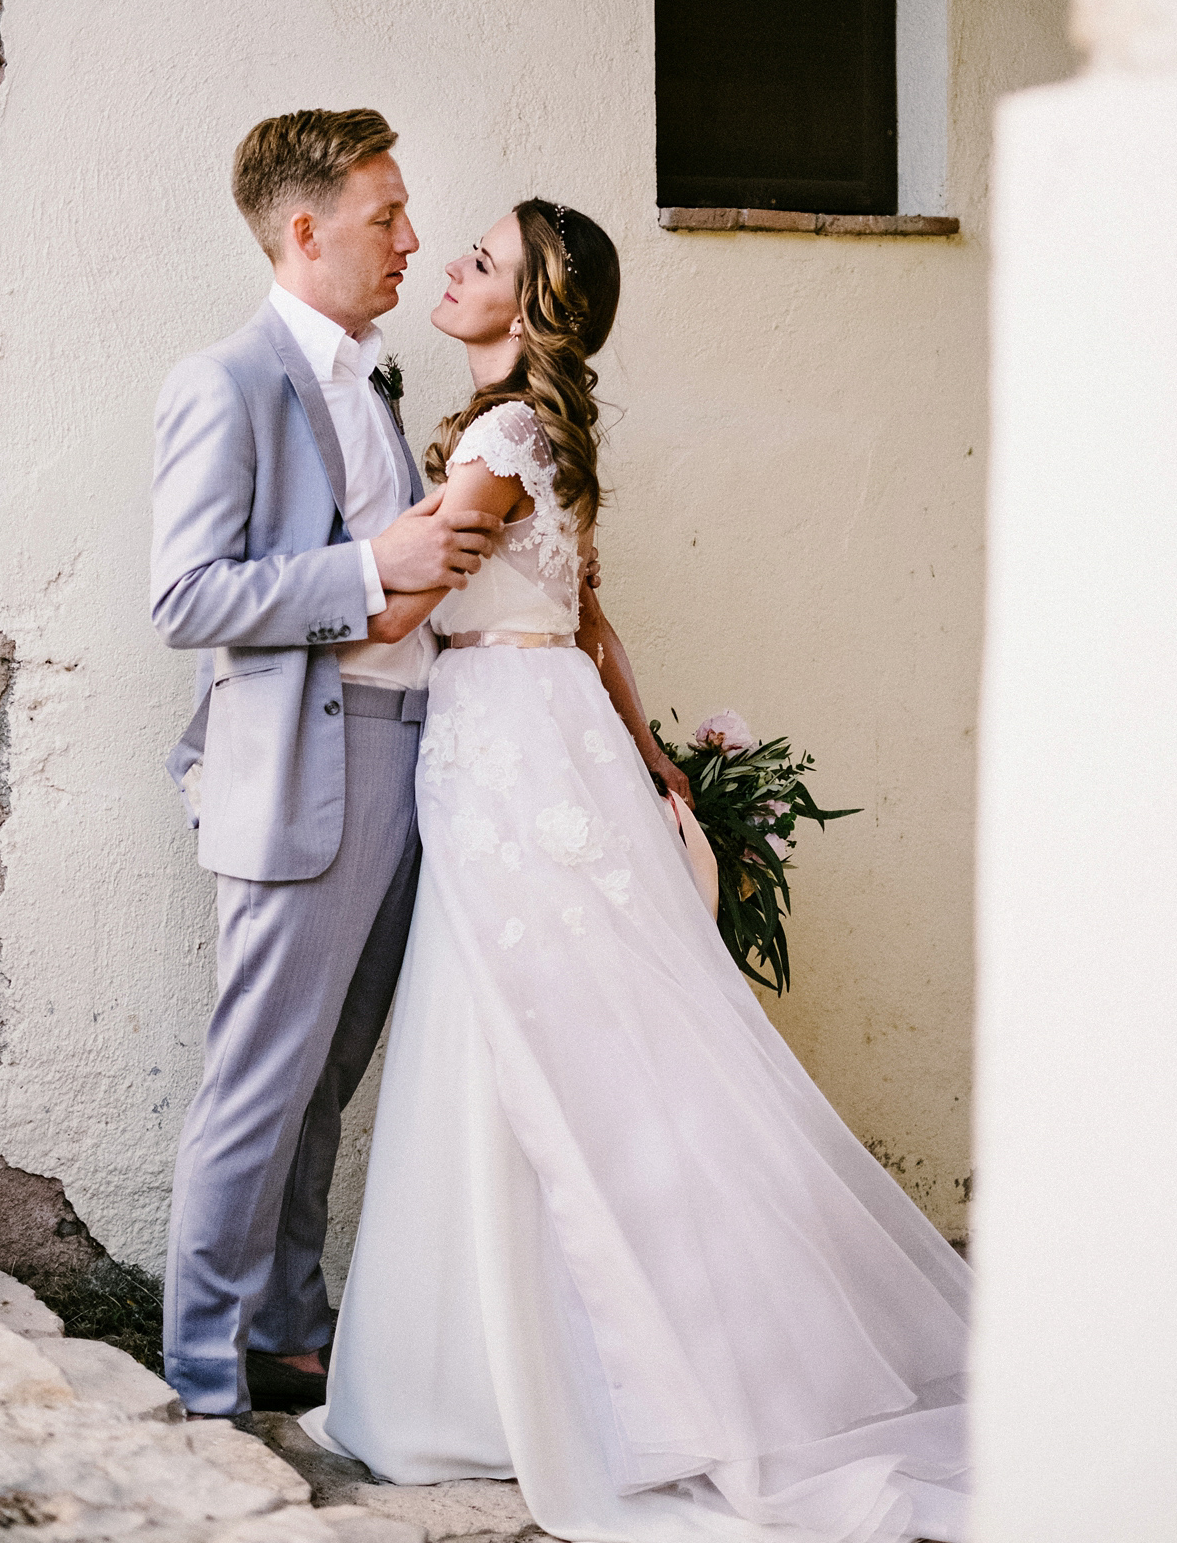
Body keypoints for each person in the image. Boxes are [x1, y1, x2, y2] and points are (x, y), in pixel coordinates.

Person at [300, 200, 972, 1542]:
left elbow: (398, 607)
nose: (452, 265)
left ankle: (505, 1383)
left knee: (522, 1038)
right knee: (587, 1043)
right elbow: (593, 619)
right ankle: (576, 1359)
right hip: (547, 744)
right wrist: (652, 759)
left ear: (533, 308)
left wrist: (259, 622)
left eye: (482, 262)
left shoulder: (498, 440)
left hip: (501, 749)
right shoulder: (537, 434)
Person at [149, 108, 511, 1420]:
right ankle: (197, 1381)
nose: (412, 240)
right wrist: (374, 569)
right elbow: (186, 594)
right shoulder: (228, 381)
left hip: (418, 752)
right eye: (386, 217)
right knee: (262, 1079)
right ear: (305, 232)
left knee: (329, 1074)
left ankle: (289, 1331)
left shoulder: (376, 378)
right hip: (314, 759)